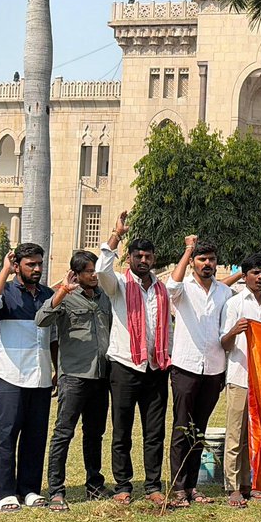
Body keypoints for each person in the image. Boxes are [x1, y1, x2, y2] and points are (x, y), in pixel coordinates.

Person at [97, 211, 171, 506]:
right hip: (126, 365)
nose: (143, 260)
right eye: (138, 255)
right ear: (129, 259)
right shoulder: (119, 285)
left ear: (154, 259)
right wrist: (116, 235)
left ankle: (153, 485)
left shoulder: (161, 288)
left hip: (156, 367)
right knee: (122, 430)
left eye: (148, 256)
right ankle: (123, 485)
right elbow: (102, 269)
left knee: (154, 432)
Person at [0, 243, 56, 513]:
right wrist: (4, 271)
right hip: (10, 375)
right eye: (30, 264)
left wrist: (55, 368)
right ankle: (4, 492)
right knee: (6, 435)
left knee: (36, 435)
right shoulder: (6, 291)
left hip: (41, 375)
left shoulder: (48, 295)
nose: (36, 269)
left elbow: (53, 336)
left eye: (39, 264)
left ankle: (30, 489)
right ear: (17, 266)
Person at [36, 251, 112, 512]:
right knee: (63, 434)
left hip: (101, 376)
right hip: (74, 376)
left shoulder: (105, 297)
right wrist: (61, 293)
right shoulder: (66, 297)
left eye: (95, 270)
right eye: (89, 271)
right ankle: (56, 490)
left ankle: (94, 483)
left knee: (95, 433)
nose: (94, 275)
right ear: (76, 274)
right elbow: (41, 320)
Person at [164, 236, 232, 508]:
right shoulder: (183, 290)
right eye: (202, 259)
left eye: (211, 259)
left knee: (199, 430)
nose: (207, 264)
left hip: (214, 368)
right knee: (182, 427)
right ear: (193, 263)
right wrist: (188, 249)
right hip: (185, 365)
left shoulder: (224, 292)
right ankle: (178, 487)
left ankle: (193, 486)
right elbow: (171, 285)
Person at [220, 253, 261, 508]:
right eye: (254, 273)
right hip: (239, 376)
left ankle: (249, 482)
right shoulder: (235, 304)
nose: (260, 277)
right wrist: (235, 330)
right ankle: (232, 487)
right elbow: (224, 343)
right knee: (235, 434)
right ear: (244, 277)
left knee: (254, 434)